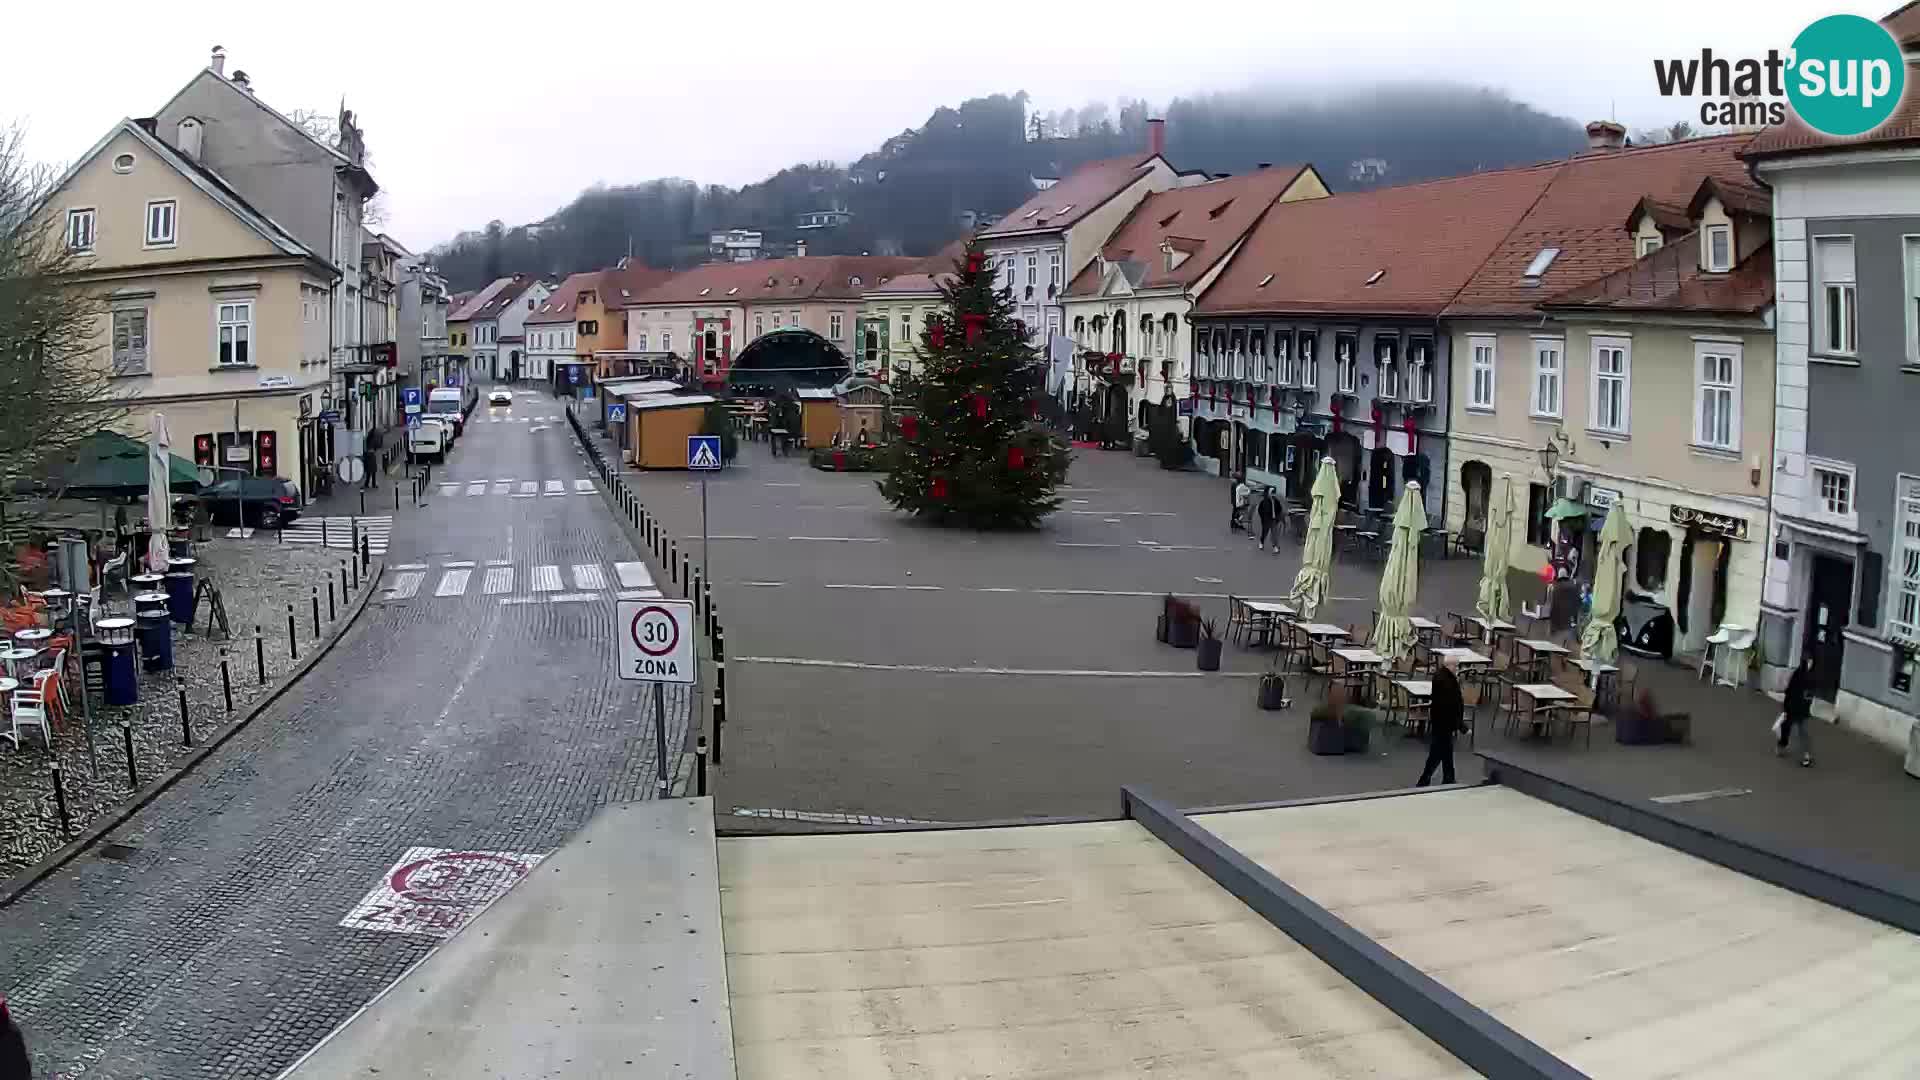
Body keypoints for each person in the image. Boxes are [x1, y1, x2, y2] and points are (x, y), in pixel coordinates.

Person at [1419, 656, 1465, 786]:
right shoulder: (1446, 681)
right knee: (1437, 754)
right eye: (1456, 666)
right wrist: (1461, 725)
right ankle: (1425, 780)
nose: (1457, 669)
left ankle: (1448, 778)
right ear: (1449, 665)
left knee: (1446, 753)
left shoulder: (1441, 676)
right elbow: (1450, 705)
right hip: (1444, 723)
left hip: (1441, 722)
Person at [1779, 653, 1817, 766]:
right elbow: (1790, 691)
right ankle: (1782, 745)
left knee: (1800, 731)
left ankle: (1806, 755)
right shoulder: (1799, 675)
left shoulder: (1809, 677)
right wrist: (1786, 706)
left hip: (1800, 709)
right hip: (1793, 707)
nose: (1810, 664)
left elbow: (1808, 695)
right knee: (1787, 727)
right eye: (1808, 662)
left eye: (1811, 662)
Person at [1256, 488, 1279, 552]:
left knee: (1274, 534)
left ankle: (1275, 546)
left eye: (1273, 493)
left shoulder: (1276, 501)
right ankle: (1261, 542)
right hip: (1266, 520)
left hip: (1273, 520)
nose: (1273, 494)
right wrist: (1263, 517)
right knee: (1265, 532)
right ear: (1269, 493)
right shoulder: (1264, 501)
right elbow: (1260, 510)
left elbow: (1279, 508)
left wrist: (1277, 517)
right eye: (1271, 493)